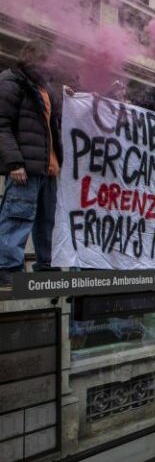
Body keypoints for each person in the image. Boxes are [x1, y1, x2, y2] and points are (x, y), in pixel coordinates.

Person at [0, 39, 62, 284]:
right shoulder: (11, 83)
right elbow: (1, 125)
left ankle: (45, 263)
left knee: (48, 220)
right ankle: (7, 266)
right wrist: (14, 162)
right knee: (18, 214)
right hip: (25, 167)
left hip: (48, 169)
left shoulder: (46, 89)